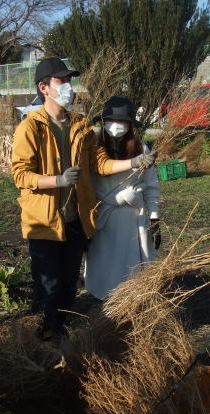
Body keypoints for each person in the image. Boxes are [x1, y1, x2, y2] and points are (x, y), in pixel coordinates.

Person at [12, 57, 157, 339]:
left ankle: (60, 335)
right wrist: (57, 181)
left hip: (75, 220)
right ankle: (39, 341)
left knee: (67, 286)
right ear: (44, 87)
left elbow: (100, 165)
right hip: (44, 223)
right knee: (47, 287)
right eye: (61, 81)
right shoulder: (31, 128)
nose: (68, 86)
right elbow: (20, 175)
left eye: (69, 81)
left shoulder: (79, 126)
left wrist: (135, 162)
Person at [84, 96, 160, 299]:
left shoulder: (142, 150)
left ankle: (131, 302)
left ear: (130, 124)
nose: (117, 126)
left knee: (132, 270)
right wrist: (117, 197)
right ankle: (103, 302)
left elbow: (152, 186)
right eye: (111, 120)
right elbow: (89, 187)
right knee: (104, 270)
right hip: (104, 219)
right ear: (103, 122)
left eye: (122, 121)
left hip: (134, 220)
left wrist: (154, 218)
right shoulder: (95, 152)